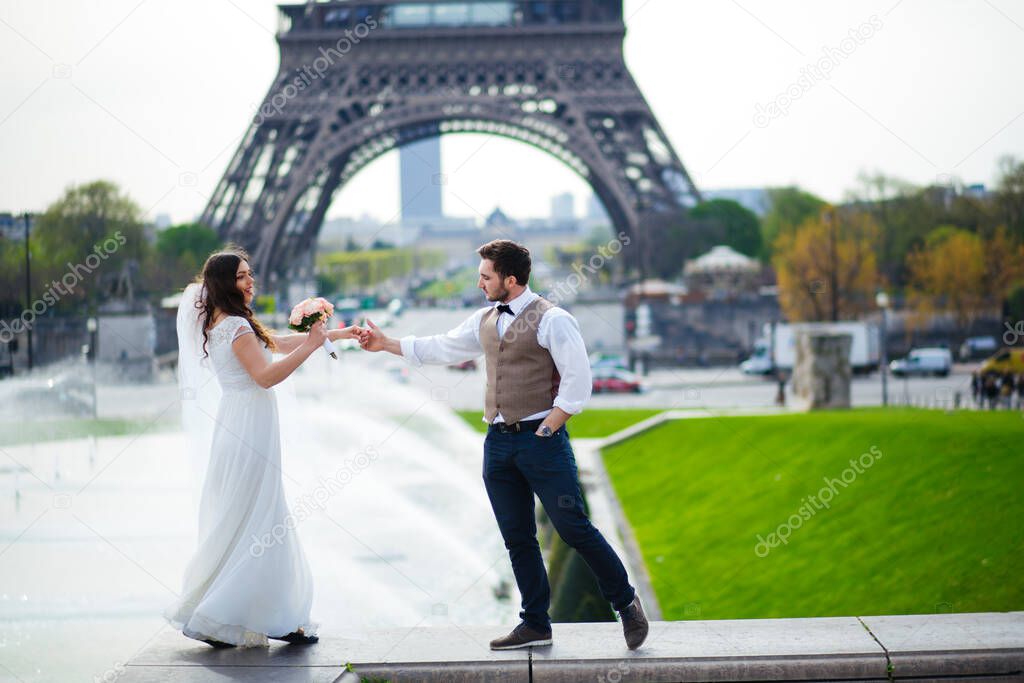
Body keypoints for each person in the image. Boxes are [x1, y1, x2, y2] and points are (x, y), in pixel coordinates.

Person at [356, 239, 649, 651]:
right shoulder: (484, 320)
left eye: (485, 276)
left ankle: (627, 603)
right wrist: (386, 343)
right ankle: (534, 623)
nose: (479, 283)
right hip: (497, 445)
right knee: (517, 538)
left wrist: (547, 429)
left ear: (510, 280)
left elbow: (578, 382)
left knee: (574, 528)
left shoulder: (554, 319)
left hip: (541, 443)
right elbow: (442, 346)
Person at [166, 247, 363, 648]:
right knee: (264, 515)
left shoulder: (225, 322)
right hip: (249, 428)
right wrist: (311, 348)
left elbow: (274, 343)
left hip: (237, 423)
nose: (250, 281)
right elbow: (266, 375)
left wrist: (333, 335)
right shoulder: (236, 326)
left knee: (243, 517)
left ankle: (220, 614)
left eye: (249, 273)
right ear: (225, 283)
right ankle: (274, 617)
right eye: (241, 276)